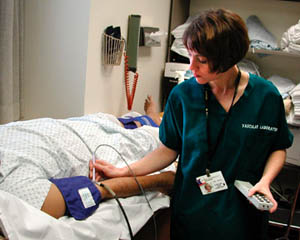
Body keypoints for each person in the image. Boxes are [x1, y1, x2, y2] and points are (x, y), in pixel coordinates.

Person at [91, 8, 294, 240]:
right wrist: (122, 171)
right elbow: (168, 150)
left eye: (202, 60)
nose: (191, 67)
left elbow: (277, 147)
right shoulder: (183, 96)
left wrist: (266, 182)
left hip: (243, 217)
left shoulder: (265, 96)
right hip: (192, 214)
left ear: (227, 59)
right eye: (190, 56)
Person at [0, 96, 174, 221]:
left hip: (82, 125)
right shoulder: (15, 186)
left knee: (115, 121)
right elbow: (97, 191)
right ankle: (154, 121)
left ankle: (150, 118)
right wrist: (161, 180)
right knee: (151, 136)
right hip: (104, 147)